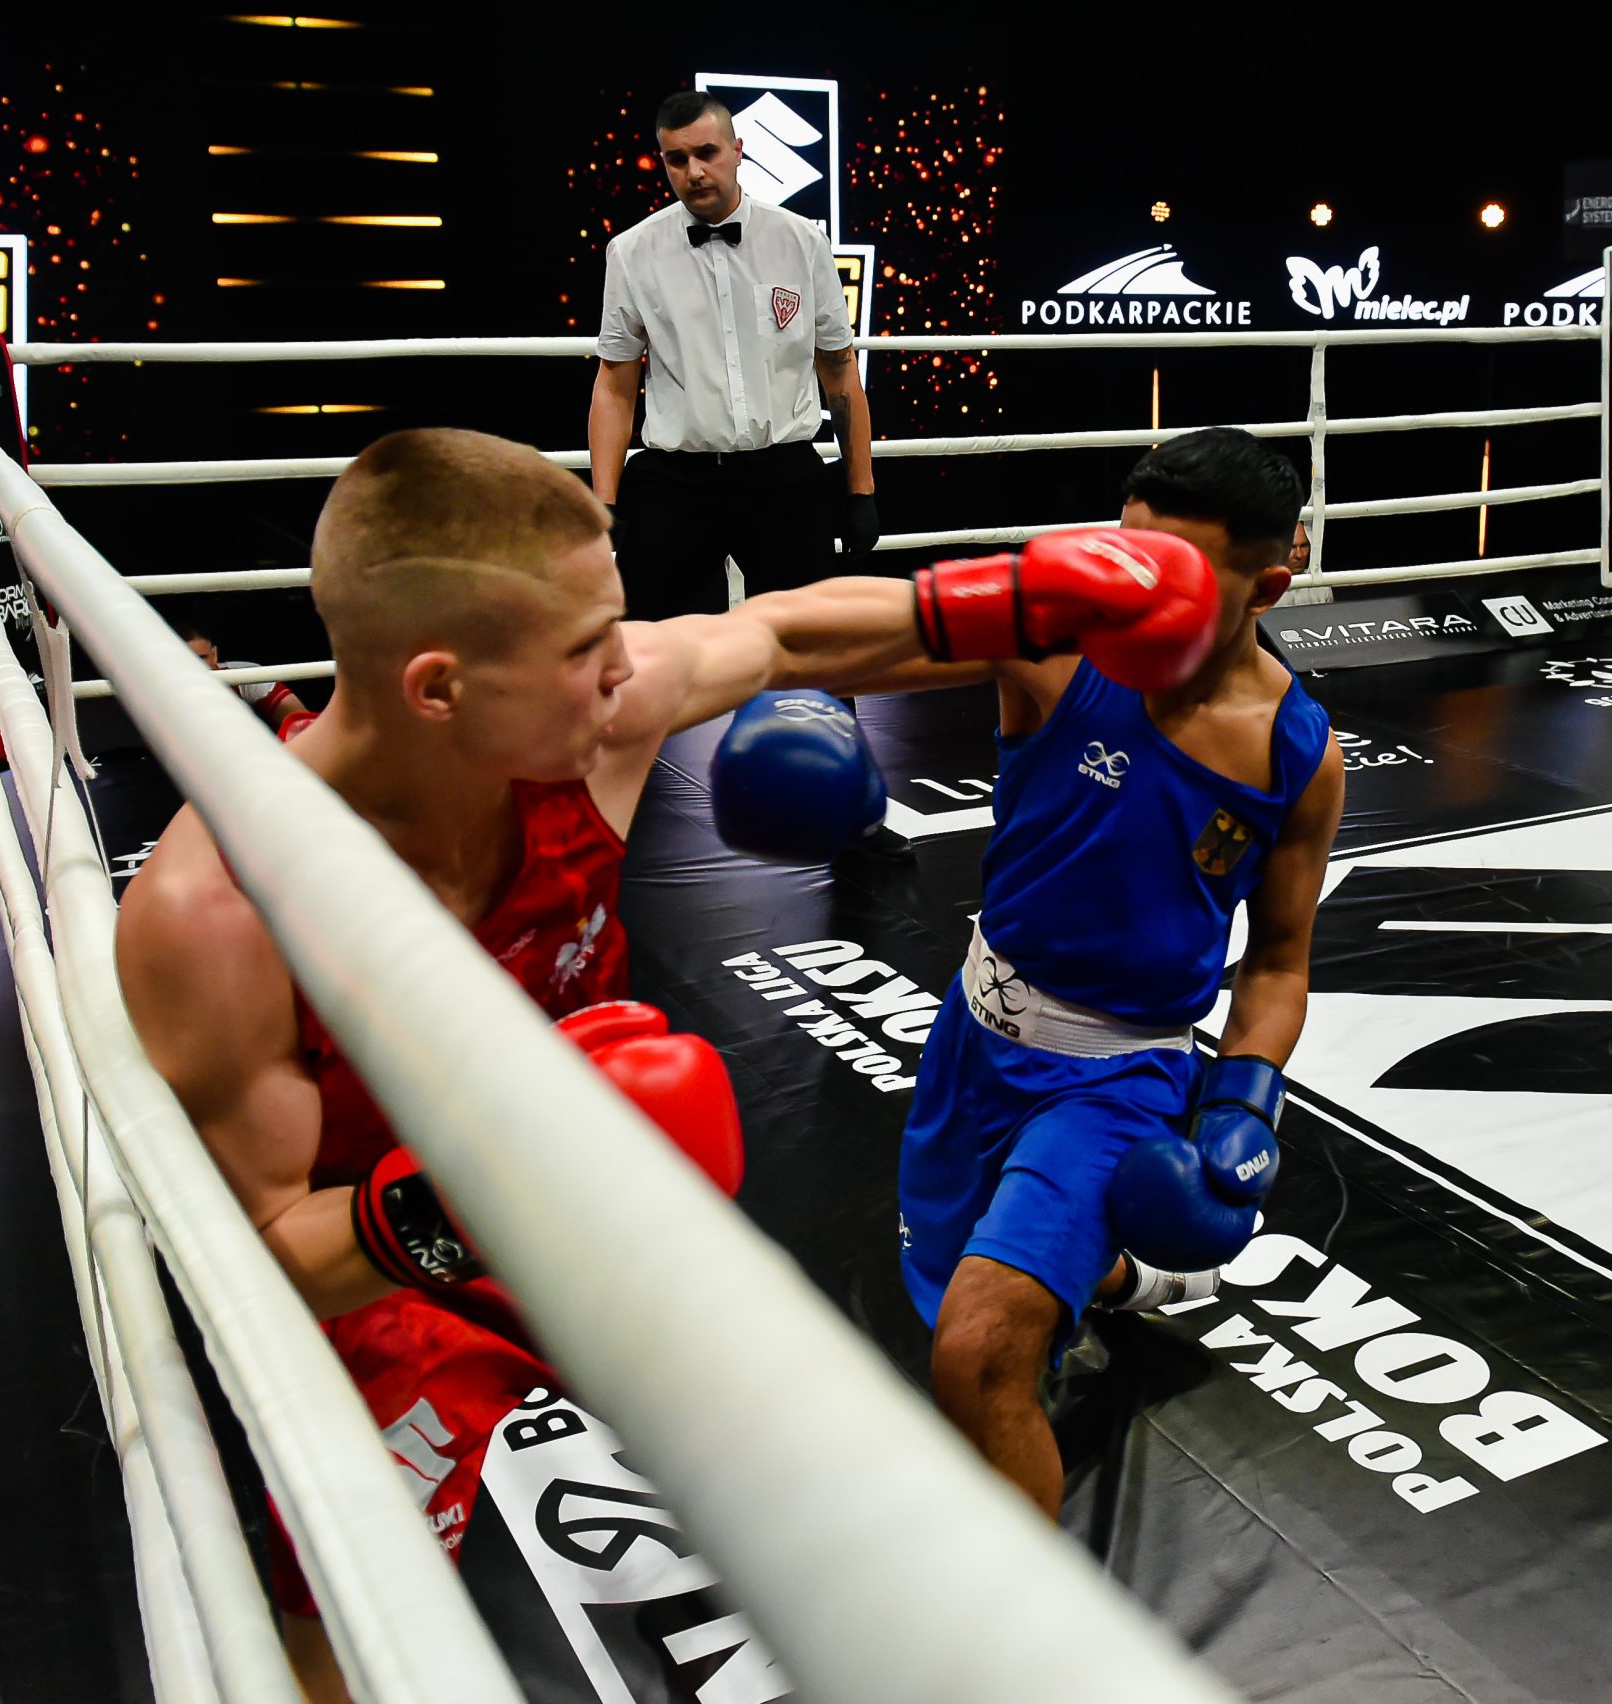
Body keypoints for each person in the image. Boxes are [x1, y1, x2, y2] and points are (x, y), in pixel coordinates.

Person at [112, 427, 1210, 1694]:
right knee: (355, 1583)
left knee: (786, 1444)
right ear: (439, 688)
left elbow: (782, 634)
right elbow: (255, 1261)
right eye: (587, 649)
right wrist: (475, 1182)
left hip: (589, 1175)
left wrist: (1020, 603)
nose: (625, 669)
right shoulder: (217, 915)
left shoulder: (596, 722)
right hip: (383, 1264)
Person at [892, 428, 1344, 1519]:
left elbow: (1279, 960)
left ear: (1266, 588)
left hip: (1118, 1080)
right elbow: (857, 638)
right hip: (976, 1034)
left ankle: (1025, 1620)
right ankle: (1135, 1272)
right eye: (1128, 555)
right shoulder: (1057, 646)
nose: (1135, 590)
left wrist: (1243, 1100)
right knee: (953, 1281)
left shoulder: (1295, 751)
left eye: (1175, 573)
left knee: (980, 1354)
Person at [588, 90, 879, 619]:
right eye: (678, 159)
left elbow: (839, 370)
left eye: (707, 153)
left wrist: (861, 492)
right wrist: (603, 501)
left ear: (738, 150)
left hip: (783, 475)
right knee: (656, 649)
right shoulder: (631, 252)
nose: (695, 172)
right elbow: (615, 382)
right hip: (675, 481)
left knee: (805, 642)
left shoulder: (801, 241)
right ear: (663, 162)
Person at [176, 621, 311, 735]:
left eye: (201, 658)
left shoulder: (245, 674)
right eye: (184, 659)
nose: (194, 666)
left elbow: (302, 724)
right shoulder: (166, 691)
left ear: (214, 654)